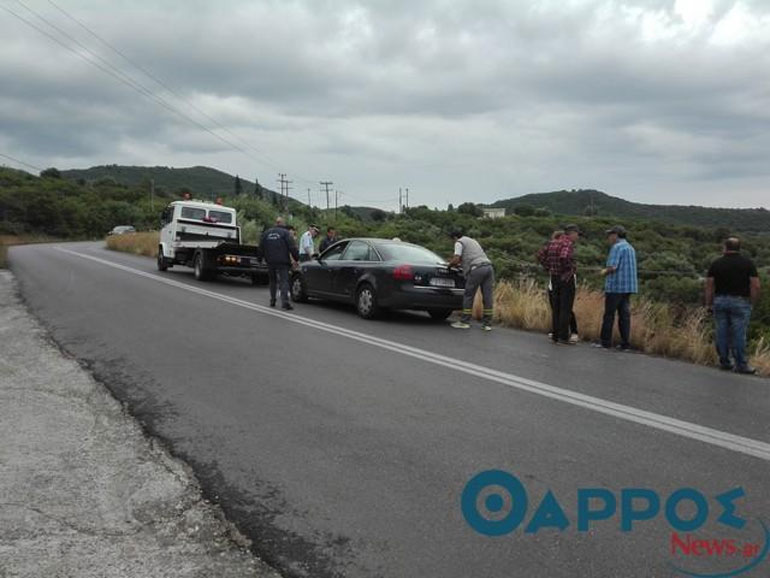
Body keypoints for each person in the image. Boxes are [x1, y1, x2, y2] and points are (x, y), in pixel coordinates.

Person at [705, 237, 761, 374]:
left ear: (725, 247)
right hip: (740, 301)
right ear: (739, 248)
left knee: (721, 332)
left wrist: (709, 304)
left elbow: (709, 286)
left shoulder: (716, 263)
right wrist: (752, 302)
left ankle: (724, 361)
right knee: (739, 334)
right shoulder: (747, 264)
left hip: (720, 300)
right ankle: (740, 364)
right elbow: (756, 285)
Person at [536, 224, 579, 344]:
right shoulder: (567, 243)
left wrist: (548, 267)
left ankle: (555, 335)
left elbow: (540, 255)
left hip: (554, 277)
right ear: (572, 233)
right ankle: (563, 336)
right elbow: (564, 257)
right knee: (565, 308)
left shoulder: (552, 243)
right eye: (577, 234)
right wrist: (570, 268)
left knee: (556, 307)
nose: (577, 237)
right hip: (565, 278)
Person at [597, 225, 638, 350]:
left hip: (615, 287)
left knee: (609, 315)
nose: (609, 238)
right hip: (628, 287)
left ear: (615, 235)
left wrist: (603, 272)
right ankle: (625, 343)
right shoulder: (630, 248)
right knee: (624, 316)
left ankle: (605, 342)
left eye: (610, 235)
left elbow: (613, 267)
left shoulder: (616, 247)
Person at [448, 230, 495, 331]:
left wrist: (449, 265)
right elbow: (471, 256)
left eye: (451, 240)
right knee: (487, 296)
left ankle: (464, 322)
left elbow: (456, 259)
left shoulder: (459, 242)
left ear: (455, 237)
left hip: (476, 269)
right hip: (488, 268)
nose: (452, 242)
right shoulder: (472, 241)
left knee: (469, 295)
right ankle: (487, 324)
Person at [260, 220, 299, 310]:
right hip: (283, 261)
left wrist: (260, 258)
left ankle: (272, 300)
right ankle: (285, 303)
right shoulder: (285, 233)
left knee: (272, 281)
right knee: (284, 281)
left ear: (275, 224)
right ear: (283, 224)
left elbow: (261, 246)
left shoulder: (266, 233)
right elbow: (292, 247)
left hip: (270, 261)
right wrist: (297, 258)